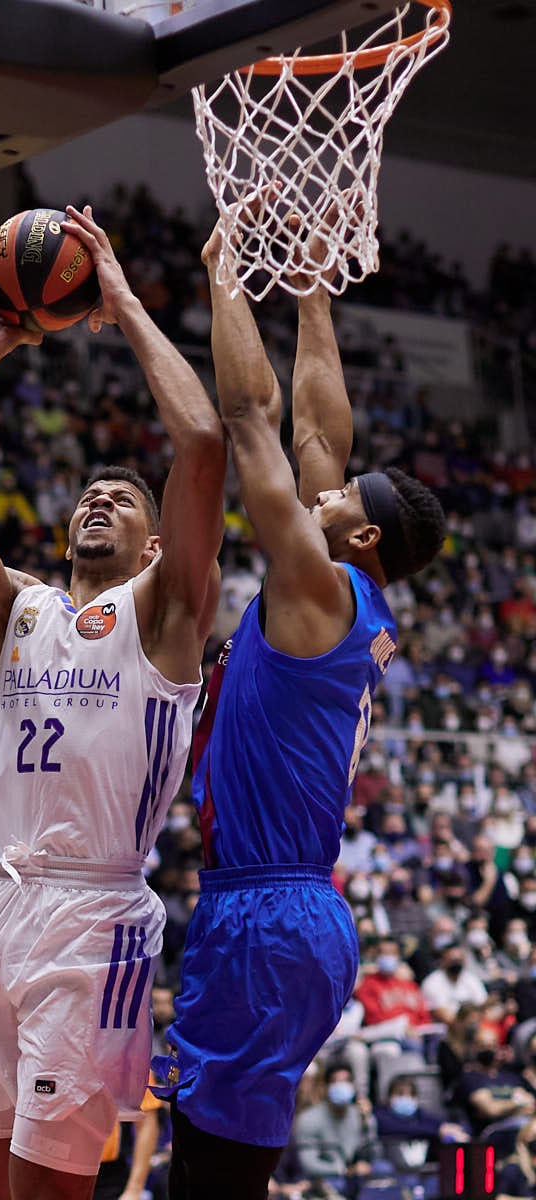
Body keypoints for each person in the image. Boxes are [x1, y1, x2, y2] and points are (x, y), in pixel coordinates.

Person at [0, 204, 225, 1200]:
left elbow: (198, 442)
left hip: (93, 915)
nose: (100, 497)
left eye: (126, 498)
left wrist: (116, 297)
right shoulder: (17, 607)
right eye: (89, 493)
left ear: (157, 550)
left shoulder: (164, 615)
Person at [153, 209, 447, 1200]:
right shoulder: (340, 589)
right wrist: (313, 290)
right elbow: (317, 427)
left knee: (207, 1177)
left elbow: (248, 424)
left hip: (265, 912)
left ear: (360, 538)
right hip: (286, 908)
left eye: (343, 497)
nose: (326, 486)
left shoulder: (316, 588)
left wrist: (225, 275)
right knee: (210, 1162)